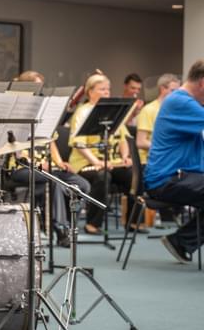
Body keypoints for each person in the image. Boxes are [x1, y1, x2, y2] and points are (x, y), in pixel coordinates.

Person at [8, 70, 90, 247]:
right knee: (54, 182)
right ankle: (60, 229)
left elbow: (51, 142)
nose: (39, 91)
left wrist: (59, 162)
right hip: (21, 168)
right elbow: (16, 151)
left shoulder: (43, 112)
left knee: (82, 185)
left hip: (45, 167)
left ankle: (70, 226)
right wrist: (38, 164)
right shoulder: (15, 113)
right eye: (36, 87)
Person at [144, 59, 204, 264]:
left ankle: (181, 242)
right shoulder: (181, 102)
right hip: (165, 180)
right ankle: (181, 241)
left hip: (180, 175)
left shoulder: (184, 102)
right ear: (203, 83)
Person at [68, 72, 138, 235]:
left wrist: (125, 157)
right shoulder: (82, 112)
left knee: (134, 174)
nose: (107, 93)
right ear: (90, 91)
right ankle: (93, 223)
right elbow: (78, 143)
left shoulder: (114, 112)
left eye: (108, 89)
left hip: (113, 162)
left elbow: (123, 139)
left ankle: (132, 221)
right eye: (102, 89)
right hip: (85, 164)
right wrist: (95, 162)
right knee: (103, 176)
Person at [136, 73, 180, 165]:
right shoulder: (148, 110)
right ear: (162, 89)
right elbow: (140, 142)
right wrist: (165, 148)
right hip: (151, 160)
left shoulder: (176, 111)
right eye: (173, 91)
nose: (176, 95)